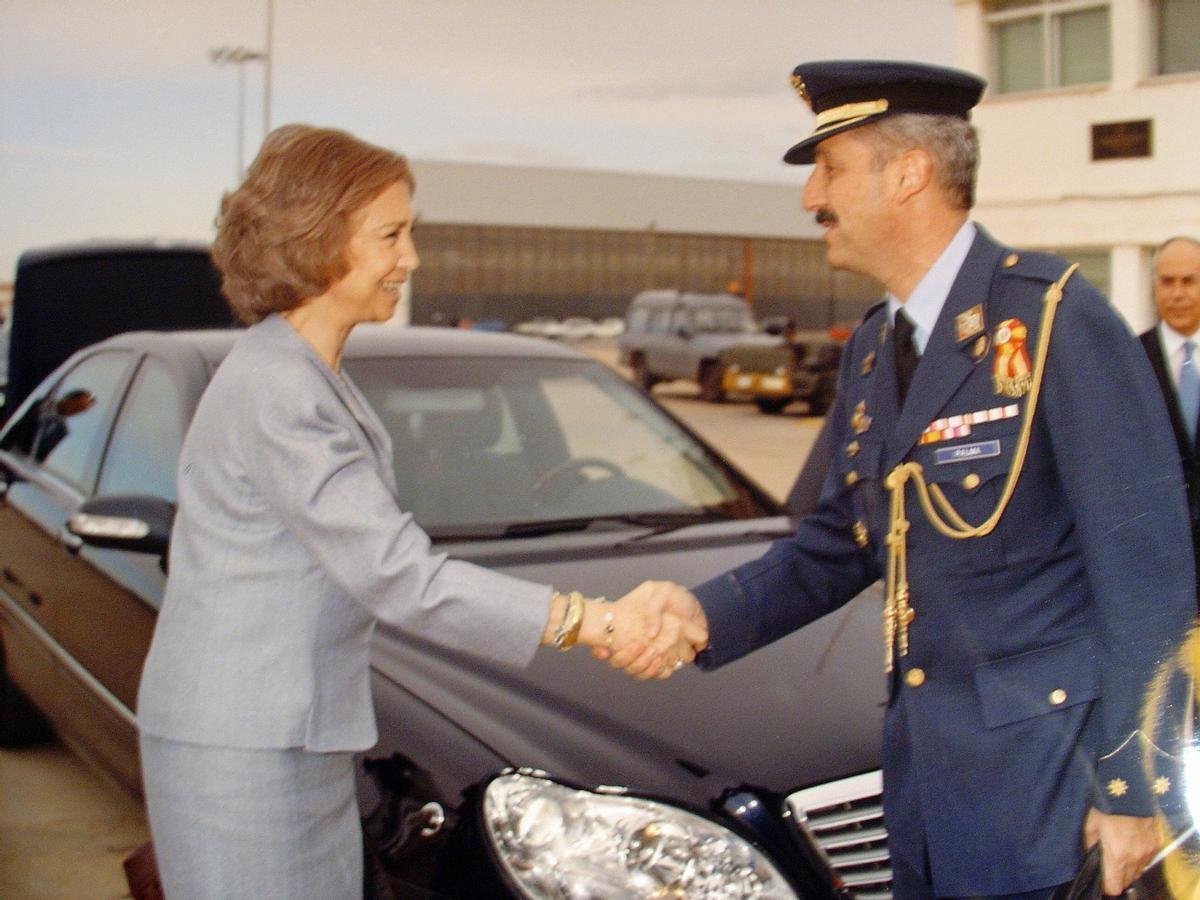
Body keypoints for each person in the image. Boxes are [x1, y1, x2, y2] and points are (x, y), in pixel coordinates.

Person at [610, 61, 1196, 897]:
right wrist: (702, 612)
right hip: (926, 784)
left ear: (910, 172)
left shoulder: (1055, 318)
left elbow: (1150, 579)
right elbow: (840, 540)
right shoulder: (876, 346)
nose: (811, 197)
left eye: (831, 168)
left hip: (1047, 791)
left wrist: (1139, 792)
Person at [135, 124, 706, 899]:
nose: (412, 259)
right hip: (243, 748)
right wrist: (596, 622)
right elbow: (400, 577)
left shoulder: (310, 374)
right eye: (392, 235)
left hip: (287, 738)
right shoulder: (280, 389)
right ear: (315, 237)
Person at [1140, 236, 1200, 597]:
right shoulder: (1128, 361)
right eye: (1167, 281)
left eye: (1189, 281)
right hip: (1159, 569)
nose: (1177, 293)